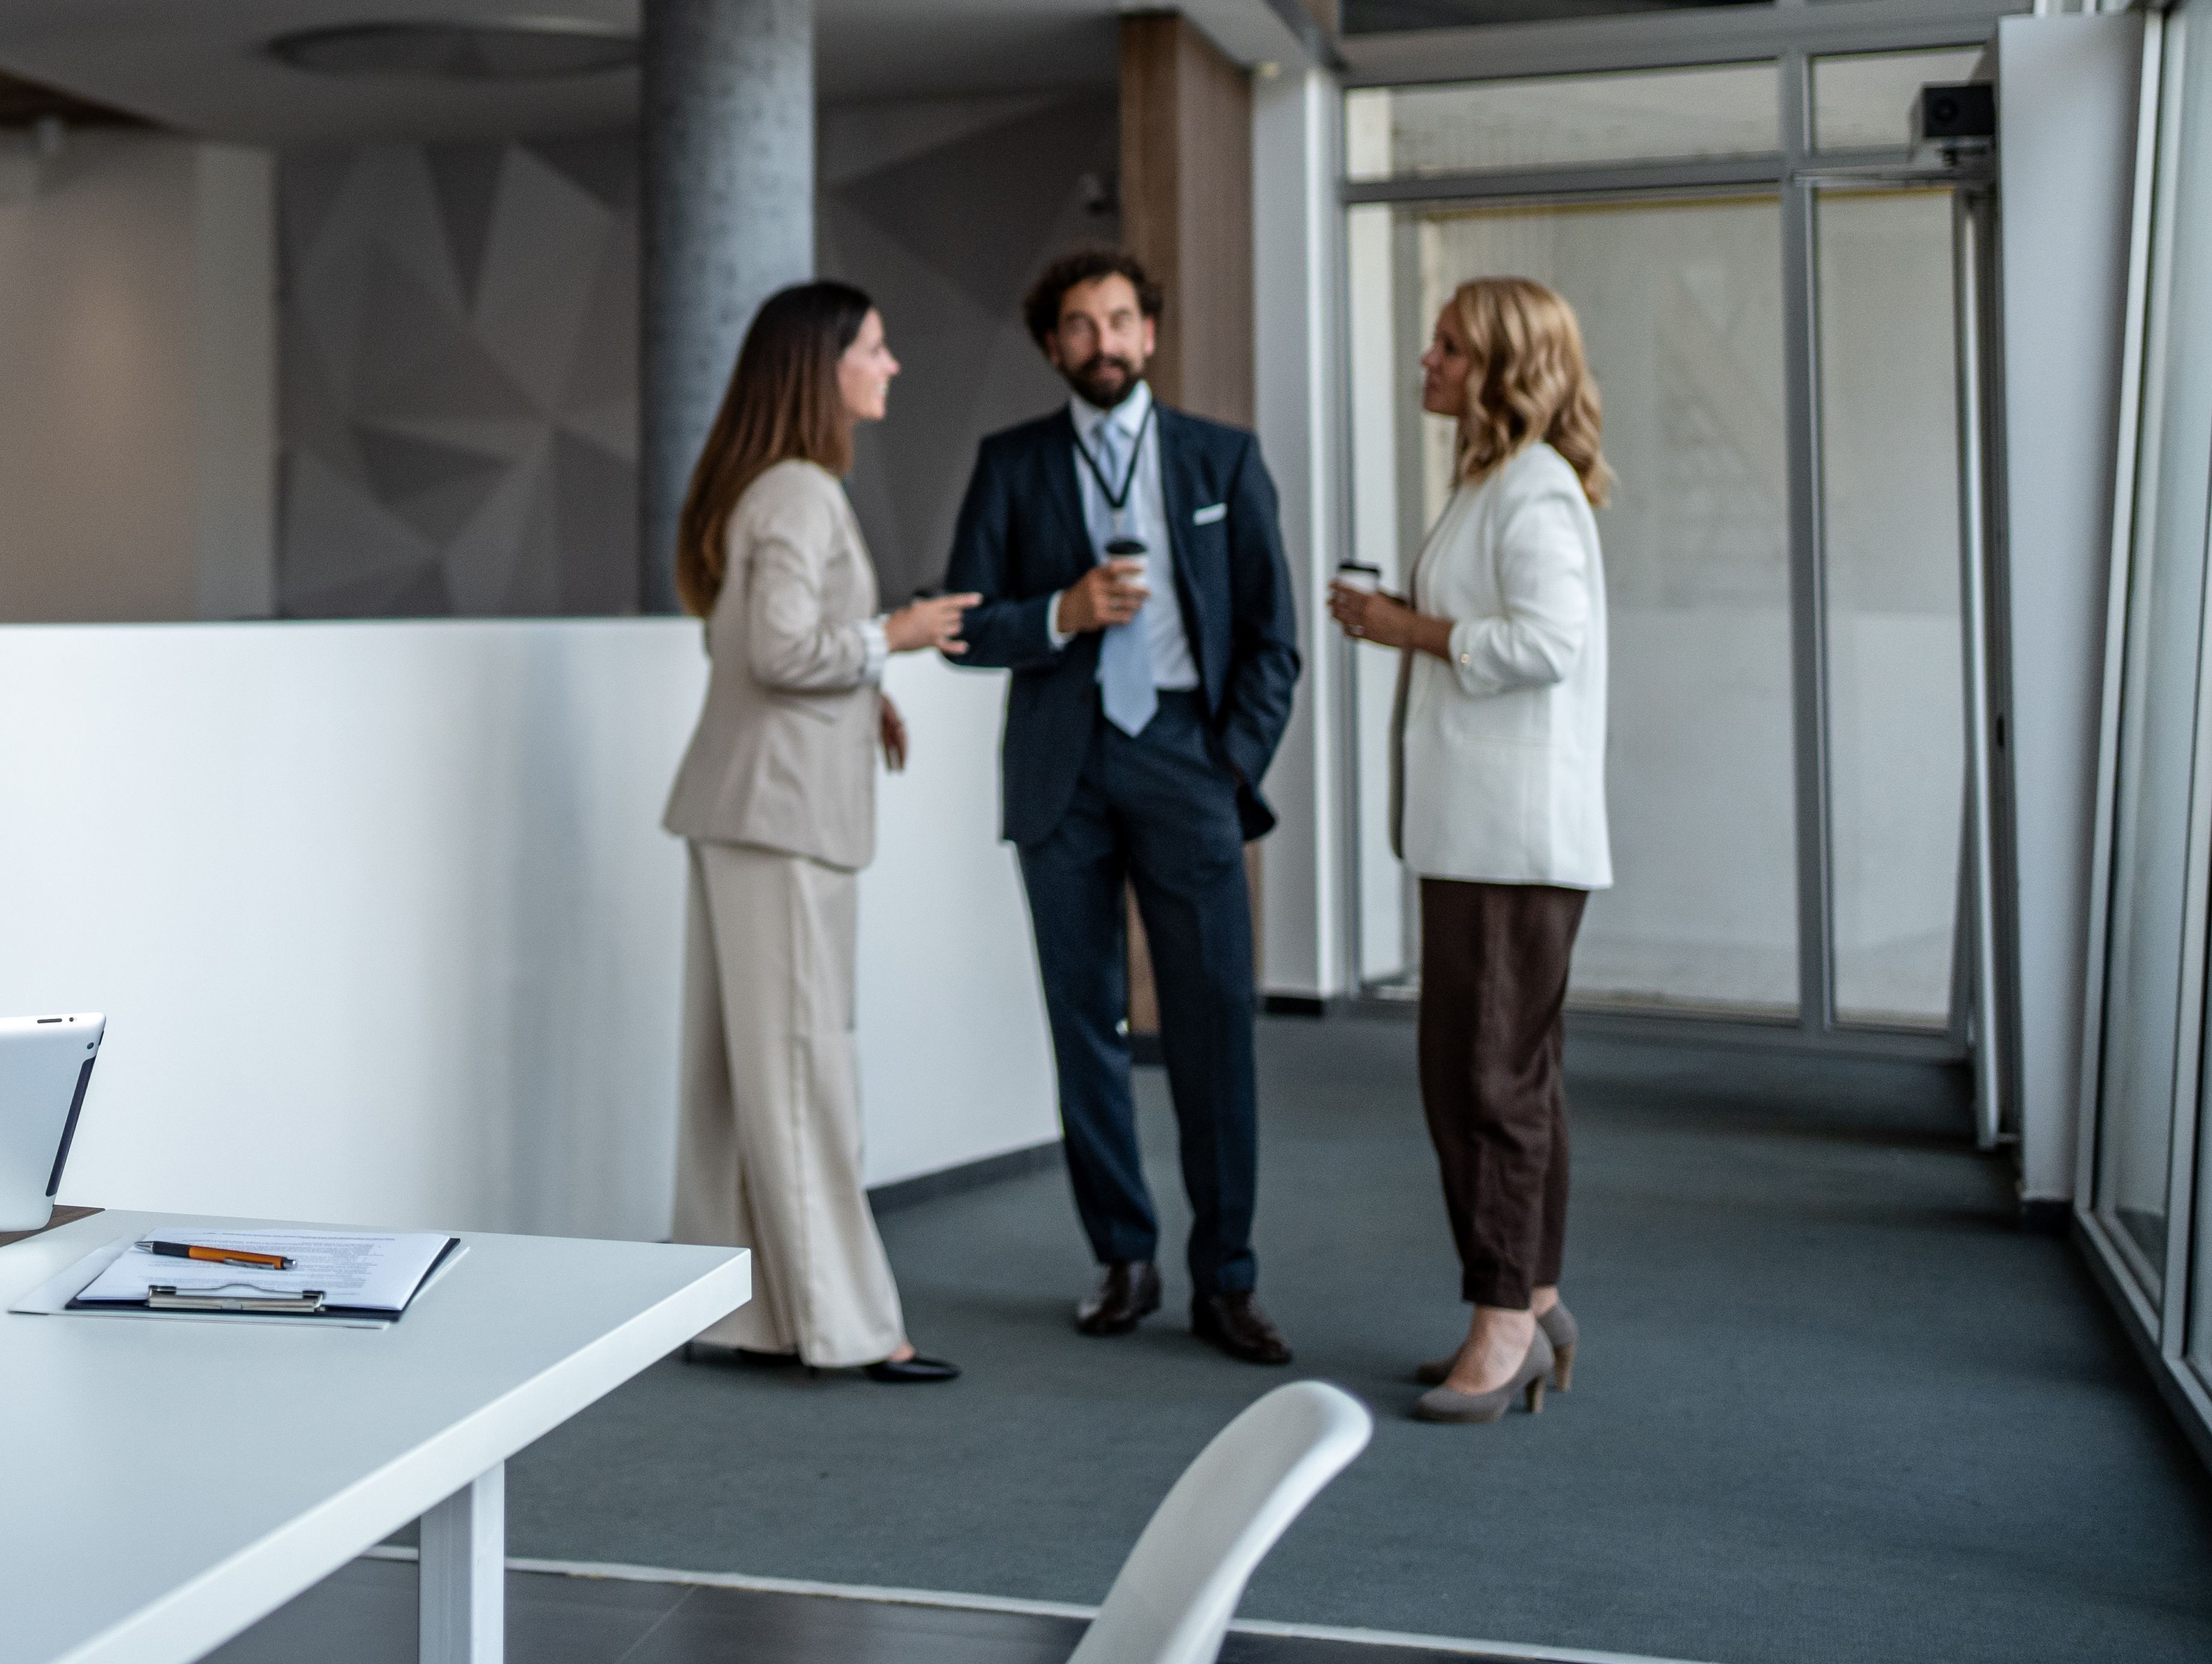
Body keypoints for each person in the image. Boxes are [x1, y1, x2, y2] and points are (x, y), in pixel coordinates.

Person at [943, 248, 1300, 1365]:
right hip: (1063, 770)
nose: (1102, 342)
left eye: (1119, 321)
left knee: (1213, 1026)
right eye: (1079, 326)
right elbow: (962, 622)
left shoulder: (1221, 458)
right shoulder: (1010, 464)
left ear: (1150, 334)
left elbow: (1273, 639)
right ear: (1053, 347)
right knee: (1084, 1024)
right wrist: (1062, 611)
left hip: (1188, 761)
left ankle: (1227, 1279)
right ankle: (1124, 1258)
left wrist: (1230, 764)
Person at [662, 281, 979, 1382]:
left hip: (749, 807)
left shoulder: (772, 487)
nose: (890, 367)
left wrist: (868, 684)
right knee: (803, 1074)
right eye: (876, 349)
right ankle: (848, 1328)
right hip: (781, 818)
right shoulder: (799, 490)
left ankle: (736, 1313)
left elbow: (762, 653)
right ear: (823, 368)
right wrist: (900, 636)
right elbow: (780, 652)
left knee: (738, 1078)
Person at [1328, 276, 1612, 1425]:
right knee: (1501, 1077)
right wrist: (1409, 617)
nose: (1427, 360)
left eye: (1447, 346)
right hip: (1482, 836)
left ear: (1496, 366)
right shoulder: (1495, 481)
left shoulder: (1534, 490)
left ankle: (1502, 1326)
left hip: (1511, 841)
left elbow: (1548, 643)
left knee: (1483, 1083)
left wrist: (1410, 629)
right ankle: (1529, 1302)